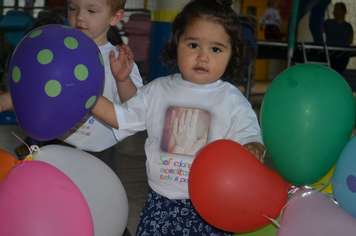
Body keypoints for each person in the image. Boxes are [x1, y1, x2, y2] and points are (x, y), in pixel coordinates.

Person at [91, 0, 265, 235]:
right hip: (160, 202)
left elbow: (250, 135)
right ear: (176, 44)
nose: (203, 57)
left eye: (216, 49)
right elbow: (123, 117)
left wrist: (253, 147)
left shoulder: (232, 99)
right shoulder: (158, 90)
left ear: (232, 54)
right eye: (193, 45)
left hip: (213, 206)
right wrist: (88, 98)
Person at [0, 0, 143, 178]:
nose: (79, 17)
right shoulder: (56, 49)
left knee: (97, 202)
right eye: (73, 9)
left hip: (98, 151)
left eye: (91, 11)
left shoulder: (118, 58)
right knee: (52, 196)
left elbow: (135, 107)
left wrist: (123, 80)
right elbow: (34, 91)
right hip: (55, 144)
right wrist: (3, 102)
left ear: (115, 17)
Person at [324, 2, 354, 75]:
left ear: (343, 12)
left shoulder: (348, 26)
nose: (335, 12)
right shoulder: (328, 23)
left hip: (342, 55)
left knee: (337, 73)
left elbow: (350, 40)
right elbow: (318, 29)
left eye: (337, 10)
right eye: (335, 10)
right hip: (330, 54)